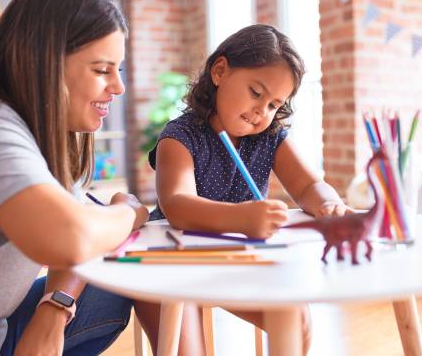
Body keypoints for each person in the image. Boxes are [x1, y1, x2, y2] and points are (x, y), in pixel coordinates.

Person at [0, 0, 203, 356]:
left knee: (134, 265)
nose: (118, 87)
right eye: (101, 69)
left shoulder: (45, 136)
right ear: (46, 62)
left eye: (118, 70)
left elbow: (82, 231)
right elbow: (71, 237)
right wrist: (127, 211)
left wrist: (55, 309)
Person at [148, 24, 352, 353]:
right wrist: (240, 218)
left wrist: (328, 204)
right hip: (172, 264)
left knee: (295, 320)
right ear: (220, 71)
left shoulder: (270, 138)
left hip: (236, 261)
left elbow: (308, 184)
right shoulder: (180, 136)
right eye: (256, 93)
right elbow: (177, 204)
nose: (262, 112)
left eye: (274, 104)